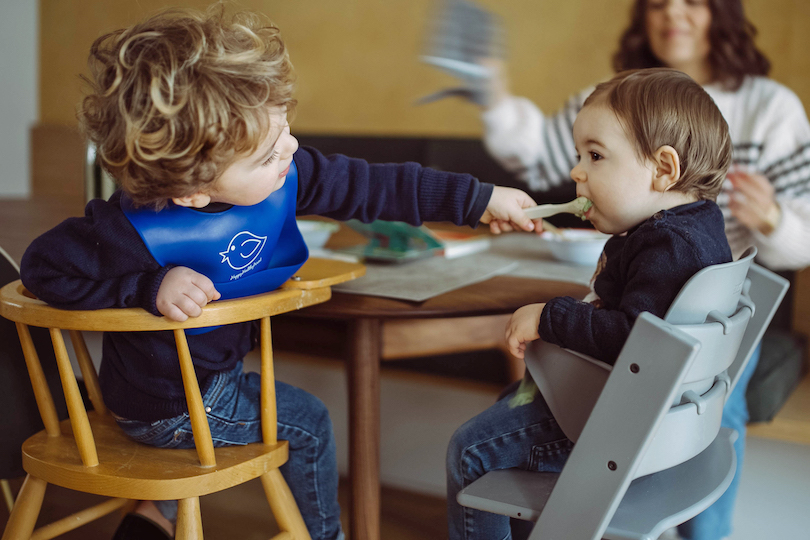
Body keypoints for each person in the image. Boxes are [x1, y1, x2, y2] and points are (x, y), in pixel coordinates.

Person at [19, 6, 540, 540]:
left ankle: (150, 520)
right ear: (193, 191)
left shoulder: (283, 174)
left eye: (286, 129)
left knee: (202, 457)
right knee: (308, 421)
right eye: (269, 153)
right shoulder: (125, 231)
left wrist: (480, 198)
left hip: (210, 384)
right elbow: (40, 270)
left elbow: (374, 186)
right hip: (170, 408)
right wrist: (148, 287)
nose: (290, 150)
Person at [475, 1, 810, 538]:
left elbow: (803, 240)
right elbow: (541, 156)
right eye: (657, 2)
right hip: (681, 333)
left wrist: (772, 217)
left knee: (481, 443)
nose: (672, 13)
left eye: (691, 1)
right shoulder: (616, 97)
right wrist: (492, 95)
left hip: (683, 350)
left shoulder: (771, 108)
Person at [447, 67, 734, 540]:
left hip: (615, 428)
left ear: (664, 169)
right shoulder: (698, 228)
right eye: (579, 154)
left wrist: (550, 315)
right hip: (636, 416)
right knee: (505, 407)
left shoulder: (667, 246)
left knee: (471, 449)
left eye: (595, 155)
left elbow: (634, 343)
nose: (576, 171)